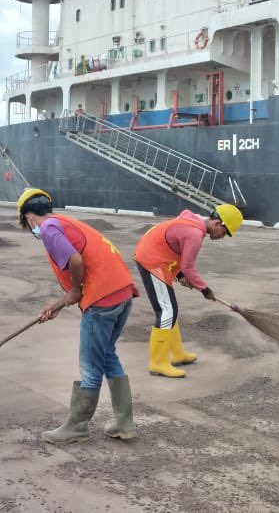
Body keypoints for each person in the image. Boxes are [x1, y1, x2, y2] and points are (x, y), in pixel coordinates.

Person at [18, 188, 139, 443]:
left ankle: (77, 426)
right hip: (122, 293)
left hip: (102, 300)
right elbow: (82, 265)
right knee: (106, 355)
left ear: (29, 218)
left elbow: (75, 261)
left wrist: (72, 291)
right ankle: (124, 423)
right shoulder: (64, 222)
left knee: (90, 366)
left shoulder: (49, 228)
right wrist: (61, 303)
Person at [134, 204, 244, 378]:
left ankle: (178, 354)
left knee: (171, 310)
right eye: (224, 233)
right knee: (166, 311)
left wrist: (179, 275)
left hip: (159, 258)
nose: (221, 237)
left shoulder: (191, 221)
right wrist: (205, 290)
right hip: (152, 262)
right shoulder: (195, 234)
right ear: (217, 224)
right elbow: (188, 266)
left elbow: (173, 245)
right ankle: (158, 363)